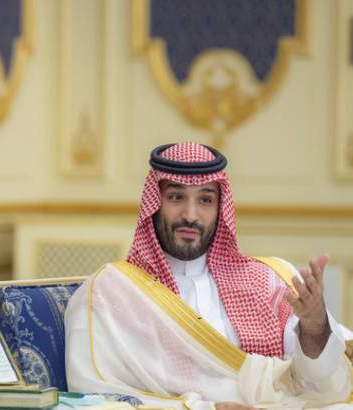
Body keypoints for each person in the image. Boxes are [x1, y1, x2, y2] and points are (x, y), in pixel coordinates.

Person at [64, 142, 352, 409]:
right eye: (176, 197)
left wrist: (315, 326)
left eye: (205, 200)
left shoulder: (269, 280)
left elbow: (317, 384)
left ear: (220, 209)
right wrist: (203, 409)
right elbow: (92, 393)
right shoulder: (113, 291)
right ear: (154, 204)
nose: (190, 215)